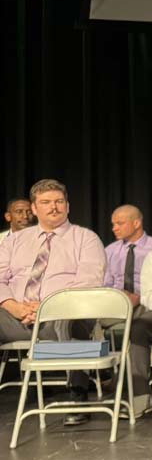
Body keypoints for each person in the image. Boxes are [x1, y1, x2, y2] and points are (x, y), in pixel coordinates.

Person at [0, 179, 106, 422]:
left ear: (68, 206)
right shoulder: (14, 241)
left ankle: (77, 397)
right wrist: (13, 306)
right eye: (46, 202)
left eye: (59, 201)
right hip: (16, 317)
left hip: (60, 315)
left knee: (74, 316)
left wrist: (48, 306)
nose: (54, 207)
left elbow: (88, 282)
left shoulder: (86, 238)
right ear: (34, 208)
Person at [101, 205, 152, 416]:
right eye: (113, 224)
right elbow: (105, 284)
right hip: (118, 305)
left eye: (119, 223)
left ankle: (133, 394)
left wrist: (140, 296)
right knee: (84, 320)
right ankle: (99, 379)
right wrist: (117, 296)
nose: (114, 228)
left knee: (137, 328)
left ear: (136, 223)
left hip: (150, 305)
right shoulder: (110, 251)